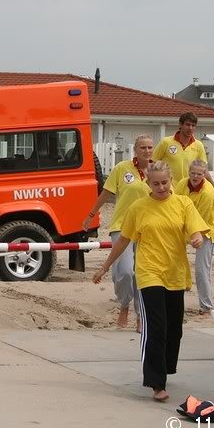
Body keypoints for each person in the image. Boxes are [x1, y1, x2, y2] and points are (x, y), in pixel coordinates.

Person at [92, 161, 209, 403]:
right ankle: (156, 382)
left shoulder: (182, 203)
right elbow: (123, 240)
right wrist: (105, 266)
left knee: (174, 329)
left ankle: (164, 367)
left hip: (175, 273)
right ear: (147, 182)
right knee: (156, 327)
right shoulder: (139, 207)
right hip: (148, 273)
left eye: (165, 182)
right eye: (155, 183)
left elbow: (195, 229)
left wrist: (197, 238)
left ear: (171, 180)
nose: (161, 187)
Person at [83, 134, 154, 331]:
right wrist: (90, 215)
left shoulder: (156, 170)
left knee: (142, 275)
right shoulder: (122, 168)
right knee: (124, 272)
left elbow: (168, 194)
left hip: (147, 228)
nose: (147, 151)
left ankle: (141, 316)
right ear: (135, 150)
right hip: (121, 226)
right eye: (143, 148)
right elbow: (106, 193)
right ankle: (124, 304)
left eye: (150, 148)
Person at [174, 160, 214, 315]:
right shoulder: (182, 184)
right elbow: (175, 205)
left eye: (199, 174)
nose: (195, 176)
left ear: (205, 175)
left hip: (205, 229)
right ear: (189, 172)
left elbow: (200, 219)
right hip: (183, 226)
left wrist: (195, 237)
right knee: (173, 263)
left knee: (201, 269)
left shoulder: (208, 193)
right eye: (193, 173)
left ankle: (206, 307)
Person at [152, 112, 214, 198]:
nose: (190, 128)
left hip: (189, 192)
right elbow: (152, 164)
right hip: (169, 191)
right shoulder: (166, 142)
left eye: (193, 125)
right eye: (187, 124)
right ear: (180, 124)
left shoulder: (198, 145)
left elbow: (204, 171)